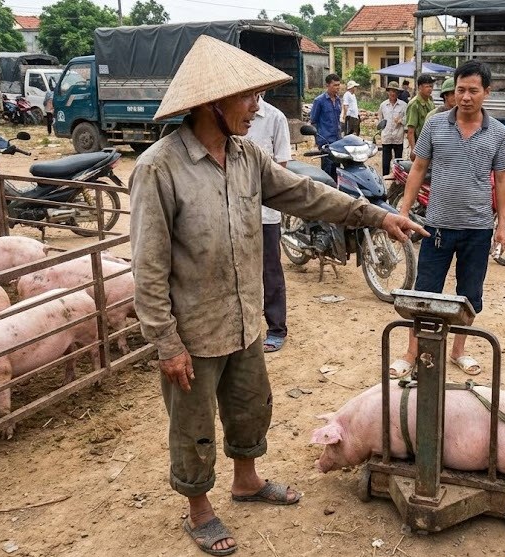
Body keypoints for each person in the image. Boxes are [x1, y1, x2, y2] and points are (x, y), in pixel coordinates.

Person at [129, 36, 424, 557]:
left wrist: (377, 215)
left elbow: (307, 194)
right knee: (193, 426)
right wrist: (165, 343)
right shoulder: (159, 168)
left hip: (244, 319)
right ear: (211, 103)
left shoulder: (247, 157)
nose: (258, 107)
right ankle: (200, 511)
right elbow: (148, 267)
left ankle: (247, 481)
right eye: (248, 97)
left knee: (250, 408)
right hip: (192, 330)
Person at [389, 60, 505, 379]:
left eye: (473, 90)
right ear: (454, 91)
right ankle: (411, 352)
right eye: (461, 90)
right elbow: (417, 169)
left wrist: (501, 226)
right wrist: (403, 211)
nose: (466, 96)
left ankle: (459, 351)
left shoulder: (498, 132)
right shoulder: (435, 124)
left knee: (469, 295)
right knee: (425, 293)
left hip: (478, 229)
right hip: (437, 227)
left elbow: (501, 180)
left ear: (487, 91)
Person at [248, 95, 291, 353]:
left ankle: (276, 328)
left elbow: (281, 166)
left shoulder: (275, 117)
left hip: (265, 213)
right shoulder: (228, 116)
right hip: (233, 213)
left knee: (270, 271)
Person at [309, 73, 342, 179]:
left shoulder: (338, 100)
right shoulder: (319, 101)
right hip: (325, 140)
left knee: (337, 169)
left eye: (338, 85)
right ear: (327, 85)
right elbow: (313, 120)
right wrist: (318, 140)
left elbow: (338, 120)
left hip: (337, 140)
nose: (337, 87)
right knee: (327, 170)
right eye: (335, 85)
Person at [378, 81, 407, 179]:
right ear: (388, 92)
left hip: (398, 137)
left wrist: (401, 121)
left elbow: (407, 119)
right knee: (386, 161)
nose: (392, 93)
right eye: (391, 91)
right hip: (386, 137)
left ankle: (398, 179)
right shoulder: (383, 105)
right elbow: (380, 120)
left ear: (398, 93)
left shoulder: (403, 105)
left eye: (395, 91)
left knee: (398, 162)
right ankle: (385, 179)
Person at [405, 74, 435, 160]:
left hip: (430, 143)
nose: (430, 89)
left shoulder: (430, 102)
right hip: (419, 144)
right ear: (420, 87)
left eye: (431, 86)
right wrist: (413, 150)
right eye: (427, 86)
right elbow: (410, 131)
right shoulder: (414, 104)